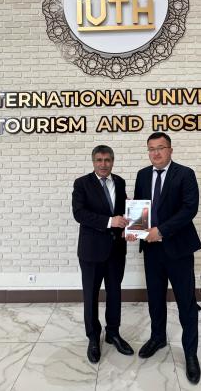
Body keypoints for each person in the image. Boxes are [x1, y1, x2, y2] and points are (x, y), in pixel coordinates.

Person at [129, 132, 201, 384]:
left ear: (170, 150)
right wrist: (135, 228)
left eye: (161, 148)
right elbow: (140, 208)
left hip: (178, 249)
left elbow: (189, 209)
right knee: (155, 299)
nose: (156, 153)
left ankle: (190, 353)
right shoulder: (142, 175)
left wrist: (160, 231)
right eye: (151, 149)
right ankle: (158, 338)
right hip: (152, 250)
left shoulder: (185, 174)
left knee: (186, 302)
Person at [72, 145, 134, 363]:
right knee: (91, 295)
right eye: (99, 160)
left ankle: (113, 333)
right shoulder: (82, 183)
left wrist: (131, 227)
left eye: (107, 160)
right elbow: (79, 214)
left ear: (113, 161)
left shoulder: (120, 182)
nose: (103, 164)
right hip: (91, 251)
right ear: (93, 162)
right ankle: (93, 337)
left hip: (116, 249)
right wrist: (110, 221)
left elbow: (124, 211)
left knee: (115, 293)